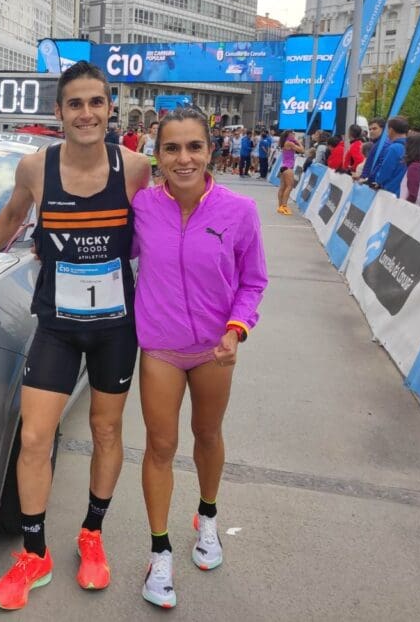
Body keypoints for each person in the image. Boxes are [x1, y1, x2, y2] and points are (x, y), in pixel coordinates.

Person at [0, 61, 151, 611]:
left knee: (106, 432)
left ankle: (92, 534)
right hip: (57, 325)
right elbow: (9, 218)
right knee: (33, 438)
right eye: (75, 104)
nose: (86, 113)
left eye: (96, 102)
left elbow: (160, 230)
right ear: (59, 112)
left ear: (110, 109)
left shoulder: (135, 167)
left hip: (115, 328)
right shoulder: (35, 167)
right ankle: (34, 553)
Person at [132, 108, 267, 609]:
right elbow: (107, 249)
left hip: (214, 349)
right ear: (158, 154)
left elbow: (253, 280)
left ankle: (207, 517)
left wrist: (236, 329)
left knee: (207, 435)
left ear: (211, 151)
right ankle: (159, 552)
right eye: (172, 148)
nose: (183, 158)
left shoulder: (239, 211)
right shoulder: (143, 207)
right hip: (161, 348)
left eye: (194, 147)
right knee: (160, 446)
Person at [369, 117, 409, 193]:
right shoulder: (411, 146)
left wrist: (377, 180)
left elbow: (385, 172)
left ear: (391, 130)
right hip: (404, 192)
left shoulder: (394, 148)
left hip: (390, 191)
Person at [276, 130, 303, 215]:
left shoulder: (284, 142)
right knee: (289, 187)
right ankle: (284, 206)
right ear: (289, 135)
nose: (294, 135)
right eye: (292, 134)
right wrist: (298, 142)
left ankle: (280, 206)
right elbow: (302, 150)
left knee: (282, 187)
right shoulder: (290, 143)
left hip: (283, 166)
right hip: (288, 167)